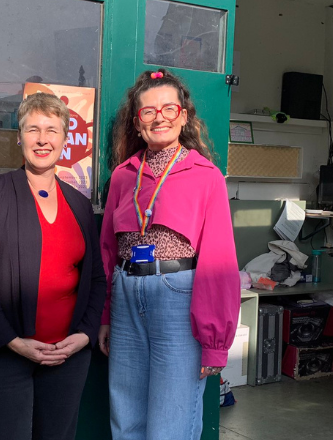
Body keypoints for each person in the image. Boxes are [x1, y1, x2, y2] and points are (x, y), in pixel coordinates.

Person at [0, 92, 106, 440]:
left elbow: (95, 278)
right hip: (3, 353)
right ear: (19, 137)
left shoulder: (79, 205)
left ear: (65, 140)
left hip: (66, 356)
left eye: (52, 130)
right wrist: (12, 340)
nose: (42, 139)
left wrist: (82, 335)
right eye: (32, 129)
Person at [97, 68, 240, 440]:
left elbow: (219, 262)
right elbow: (108, 252)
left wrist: (214, 343)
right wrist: (105, 314)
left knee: (169, 424)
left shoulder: (205, 176)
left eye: (168, 109)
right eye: (148, 111)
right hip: (126, 294)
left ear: (184, 116)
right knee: (125, 419)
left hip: (178, 296)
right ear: (137, 122)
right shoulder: (123, 176)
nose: (158, 117)